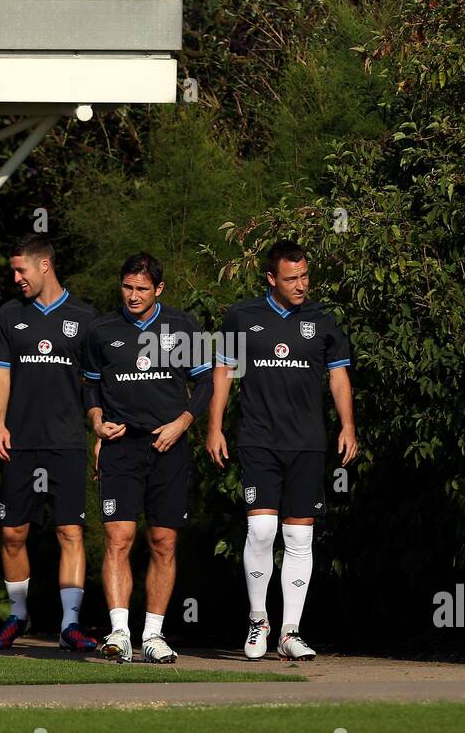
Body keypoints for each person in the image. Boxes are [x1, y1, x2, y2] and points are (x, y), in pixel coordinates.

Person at [205, 241, 357, 661]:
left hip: (307, 444)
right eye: (291, 278)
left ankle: (290, 631)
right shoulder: (242, 315)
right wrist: (214, 426)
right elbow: (222, 371)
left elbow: (339, 376)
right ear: (271, 278)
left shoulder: (323, 319)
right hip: (258, 439)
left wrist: (348, 425)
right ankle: (258, 621)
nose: (301, 285)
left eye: (305, 276)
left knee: (299, 536)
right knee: (261, 531)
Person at [82, 252, 211, 663]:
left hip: (167, 447)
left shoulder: (182, 326)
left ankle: (153, 635)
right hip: (121, 447)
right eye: (127, 287)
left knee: (163, 541)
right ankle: (119, 632)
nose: (133, 295)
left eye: (142, 288)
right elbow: (89, 388)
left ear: (159, 289)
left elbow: (206, 382)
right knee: (118, 539)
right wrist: (97, 421)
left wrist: (184, 422)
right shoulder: (101, 330)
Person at [0, 236, 99, 651]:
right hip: (20, 443)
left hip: (67, 443)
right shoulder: (9, 315)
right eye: (14, 271)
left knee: (70, 532)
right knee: (13, 533)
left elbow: (95, 384)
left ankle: (70, 625)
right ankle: (18, 615)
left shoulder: (84, 317)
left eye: (22, 271)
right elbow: (0, 373)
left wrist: (98, 431)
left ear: (45, 265)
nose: (16, 278)